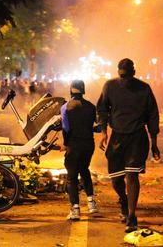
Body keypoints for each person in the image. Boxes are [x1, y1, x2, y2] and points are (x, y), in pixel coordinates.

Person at [97, 58, 160, 233]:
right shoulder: (110, 86)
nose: (124, 78)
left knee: (132, 176)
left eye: (127, 75)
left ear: (133, 72)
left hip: (137, 138)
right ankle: (124, 201)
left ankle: (132, 217)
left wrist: (154, 142)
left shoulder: (144, 88)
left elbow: (153, 116)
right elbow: (102, 109)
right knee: (116, 179)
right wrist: (104, 132)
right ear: (119, 72)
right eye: (122, 75)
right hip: (117, 137)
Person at [62, 80, 99, 221]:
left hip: (74, 145)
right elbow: (98, 127)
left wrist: (65, 144)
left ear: (71, 91)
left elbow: (66, 129)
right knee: (84, 170)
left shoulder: (66, 107)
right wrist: (91, 129)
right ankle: (91, 204)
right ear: (83, 91)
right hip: (88, 145)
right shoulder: (91, 106)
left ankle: (75, 209)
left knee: (71, 176)